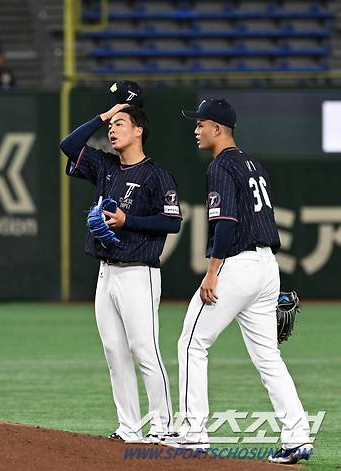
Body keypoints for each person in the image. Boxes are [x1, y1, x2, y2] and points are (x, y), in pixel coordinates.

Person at [172, 98, 313, 464]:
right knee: (268, 356)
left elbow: (226, 222)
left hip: (237, 264)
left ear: (218, 128)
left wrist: (213, 271)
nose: (196, 129)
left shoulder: (220, 166)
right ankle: (297, 436)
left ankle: (192, 433)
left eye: (201, 124)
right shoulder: (253, 164)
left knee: (191, 343)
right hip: (268, 268)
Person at [60, 81, 182, 443]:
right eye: (111, 125)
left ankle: (164, 426)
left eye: (120, 124)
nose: (113, 129)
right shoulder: (105, 167)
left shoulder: (157, 175)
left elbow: (172, 221)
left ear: (139, 130)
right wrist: (105, 114)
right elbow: (68, 145)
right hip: (106, 272)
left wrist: (130, 222)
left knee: (144, 350)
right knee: (115, 352)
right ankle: (130, 427)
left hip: (138, 274)